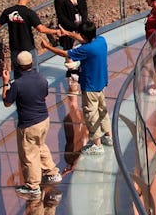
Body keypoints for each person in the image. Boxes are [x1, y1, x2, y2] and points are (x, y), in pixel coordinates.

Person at [40, 21, 111, 155]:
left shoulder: (86, 49)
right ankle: (108, 136)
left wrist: (48, 47)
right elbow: (83, 39)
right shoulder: (101, 40)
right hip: (101, 82)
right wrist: (67, 33)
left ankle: (97, 144)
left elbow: (65, 54)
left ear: (84, 36)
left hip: (90, 86)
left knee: (91, 114)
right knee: (102, 110)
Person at [2, 51, 62, 198]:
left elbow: (7, 102)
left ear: (18, 66)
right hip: (44, 119)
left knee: (29, 155)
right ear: (31, 64)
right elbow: (45, 95)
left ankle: (33, 186)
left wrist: (5, 82)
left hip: (29, 124)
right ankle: (52, 172)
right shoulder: (42, 79)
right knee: (40, 145)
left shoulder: (17, 84)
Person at [0, 0, 61, 78]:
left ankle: (20, 91)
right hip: (28, 48)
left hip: (14, 48)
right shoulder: (29, 13)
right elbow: (41, 29)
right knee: (33, 74)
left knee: (18, 74)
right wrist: (56, 31)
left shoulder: (8, 11)